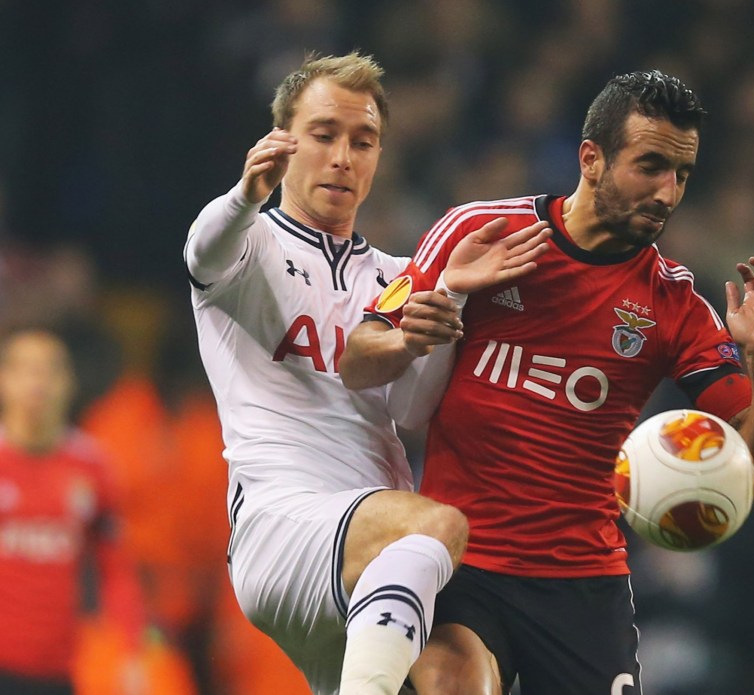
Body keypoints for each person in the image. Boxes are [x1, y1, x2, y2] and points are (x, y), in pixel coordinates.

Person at [340, 69, 754, 694]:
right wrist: (413, 331)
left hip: (584, 584)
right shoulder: (482, 233)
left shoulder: (675, 305)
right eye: (651, 166)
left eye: (682, 176)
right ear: (591, 158)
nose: (667, 193)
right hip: (462, 561)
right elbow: (359, 358)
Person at [184, 52, 549, 695]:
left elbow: (410, 410)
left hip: (378, 556)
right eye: (324, 135)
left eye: (364, 141)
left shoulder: (396, 277)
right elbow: (201, 250)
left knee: (462, 673)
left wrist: (451, 302)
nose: (343, 157)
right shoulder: (251, 246)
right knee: (439, 522)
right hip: (284, 522)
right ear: (284, 141)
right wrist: (246, 194)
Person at [0, 327, 144, 695]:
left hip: (60, 671)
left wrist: (131, 650)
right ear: (5, 380)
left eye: (50, 370)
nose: (38, 382)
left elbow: (117, 569)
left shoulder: (92, 468)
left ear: (69, 383)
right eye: (26, 369)